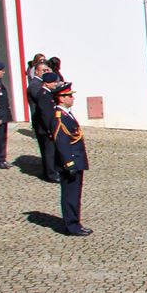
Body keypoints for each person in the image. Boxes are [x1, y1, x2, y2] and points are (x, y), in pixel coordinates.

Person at [50, 82, 91, 236]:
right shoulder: (59, 117)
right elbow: (61, 141)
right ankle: (72, 225)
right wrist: (69, 163)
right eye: (69, 95)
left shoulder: (67, 114)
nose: (72, 98)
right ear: (61, 98)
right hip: (70, 162)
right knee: (70, 195)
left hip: (76, 159)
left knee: (75, 194)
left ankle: (75, 221)